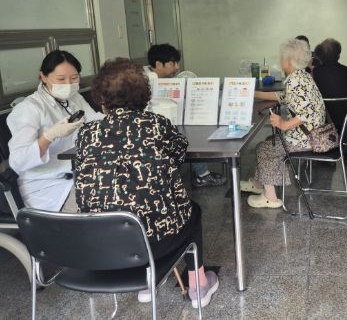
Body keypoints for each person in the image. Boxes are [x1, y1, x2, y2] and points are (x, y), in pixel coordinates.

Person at [74, 58, 218, 307]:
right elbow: (179, 153)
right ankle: (198, 286)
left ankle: (145, 283)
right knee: (192, 212)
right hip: (157, 243)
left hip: (102, 245)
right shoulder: (156, 125)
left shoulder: (87, 133)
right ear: (144, 95)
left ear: (101, 98)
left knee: (124, 212)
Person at [7, 50, 102, 212]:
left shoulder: (74, 98)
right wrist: (49, 135)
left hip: (79, 175)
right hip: (50, 188)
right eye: (61, 79)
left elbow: (95, 122)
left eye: (74, 78)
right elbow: (19, 161)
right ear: (43, 77)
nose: (68, 84)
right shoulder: (28, 108)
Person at [241, 39, 326, 208]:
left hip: (307, 139)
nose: (280, 61)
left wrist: (284, 124)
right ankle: (259, 184)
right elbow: (283, 97)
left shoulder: (295, 81)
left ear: (288, 61)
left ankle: (270, 198)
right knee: (269, 143)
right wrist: (252, 93)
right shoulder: (302, 76)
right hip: (314, 134)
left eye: (282, 58)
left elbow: (305, 113)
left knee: (265, 149)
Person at [145, 43, 226, 188]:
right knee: (188, 134)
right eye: (172, 63)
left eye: (177, 63)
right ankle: (202, 176)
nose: (177, 67)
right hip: (152, 130)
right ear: (158, 64)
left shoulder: (156, 76)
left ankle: (200, 173)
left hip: (161, 125)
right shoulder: (148, 81)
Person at [312, 38, 347, 134]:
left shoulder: (315, 72)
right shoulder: (346, 70)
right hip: (346, 118)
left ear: (320, 55)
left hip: (325, 119)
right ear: (338, 55)